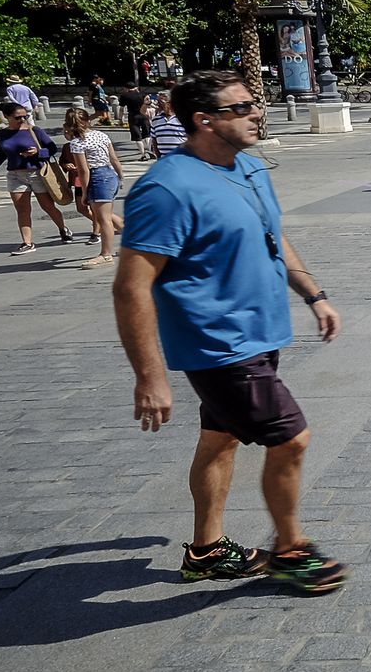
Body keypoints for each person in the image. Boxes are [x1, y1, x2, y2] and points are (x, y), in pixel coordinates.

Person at [113, 70, 347, 594]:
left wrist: (314, 295)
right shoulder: (165, 189)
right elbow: (132, 287)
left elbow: (272, 233)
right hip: (217, 344)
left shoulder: (247, 166)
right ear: (205, 120)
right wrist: (149, 377)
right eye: (242, 107)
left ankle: (206, 551)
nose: (257, 112)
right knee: (291, 438)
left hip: (259, 335)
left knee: (220, 439)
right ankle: (290, 549)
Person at [0, 100, 72, 254]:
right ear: (6, 117)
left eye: (25, 116)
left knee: (48, 206)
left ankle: (63, 228)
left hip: (37, 173)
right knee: (23, 210)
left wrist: (37, 153)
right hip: (15, 175)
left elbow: (51, 149)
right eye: (18, 118)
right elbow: (2, 153)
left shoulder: (34, 130)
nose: (22, 120)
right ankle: (27, 242)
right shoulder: (1, 134)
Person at [62, 108, 126, 267]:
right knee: (107, 214)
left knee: (103, 219)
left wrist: (84, 192)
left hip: (97, 177)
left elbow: (83, 170)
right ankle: (134, 241)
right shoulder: (101, 135)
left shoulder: (76, 143)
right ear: (87, 120)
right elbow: (114, 159)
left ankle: (106, 254)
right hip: (110, 174)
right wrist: (120, 176)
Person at [119, 81, 152, 161]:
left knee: (137, 136)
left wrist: (121, 118)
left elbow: (121, 109)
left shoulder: (124, 96)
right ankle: (151, 152)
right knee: (147, 134)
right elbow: (149, 104)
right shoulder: (143, 94)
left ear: (127, 88)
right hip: (144, 115)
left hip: (133, 116)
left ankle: (143, 155)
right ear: (135, 87)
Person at [150, 90, 187, 158]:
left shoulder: (183, 118)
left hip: (182, 159)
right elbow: (154, 141)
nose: (158, 104)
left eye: (160, 102)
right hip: (164, 160)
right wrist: (159, 159)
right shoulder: (155, 120)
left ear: (169, 103)